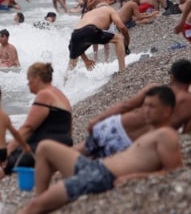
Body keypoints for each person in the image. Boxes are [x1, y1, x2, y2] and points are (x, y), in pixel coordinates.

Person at [18, 86, 182, 214]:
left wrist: (134, 176)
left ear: (167, 110)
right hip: (95, 167)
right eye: (145, 106)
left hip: (101, 177)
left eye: (152, 107)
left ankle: (39, 204)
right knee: (45, 147)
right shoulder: (153, 132)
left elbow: (173, 170)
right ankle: (40, 200)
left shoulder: (166, 135)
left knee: (33, 207)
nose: (146, 110)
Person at [76, 60, 191, 159]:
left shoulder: (155, 89)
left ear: (172, 77)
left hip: (119, 126)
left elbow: (126, 105)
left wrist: (98, 119)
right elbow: (187, 135)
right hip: (134, 146)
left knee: (75, 153)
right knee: (89, 167)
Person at [0, 63, 72, 178]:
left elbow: (28, 127)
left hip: (47, 146)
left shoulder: (44, 94)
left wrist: (8, 150)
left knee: (2, 161)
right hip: (62, 143)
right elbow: (70, 126)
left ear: (36, 78)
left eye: (29, 80)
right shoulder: (59, 94)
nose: (28, 84)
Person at [67, 4, 130, 72]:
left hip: (75, 34)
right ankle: (122, 68)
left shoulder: (88, 13)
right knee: (119, 38)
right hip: (90, 30)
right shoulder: (110, 10)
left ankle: (65, 80)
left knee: (73, 61)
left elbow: (80, 41)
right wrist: (127, 42)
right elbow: (122, 27)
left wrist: (86, 60)